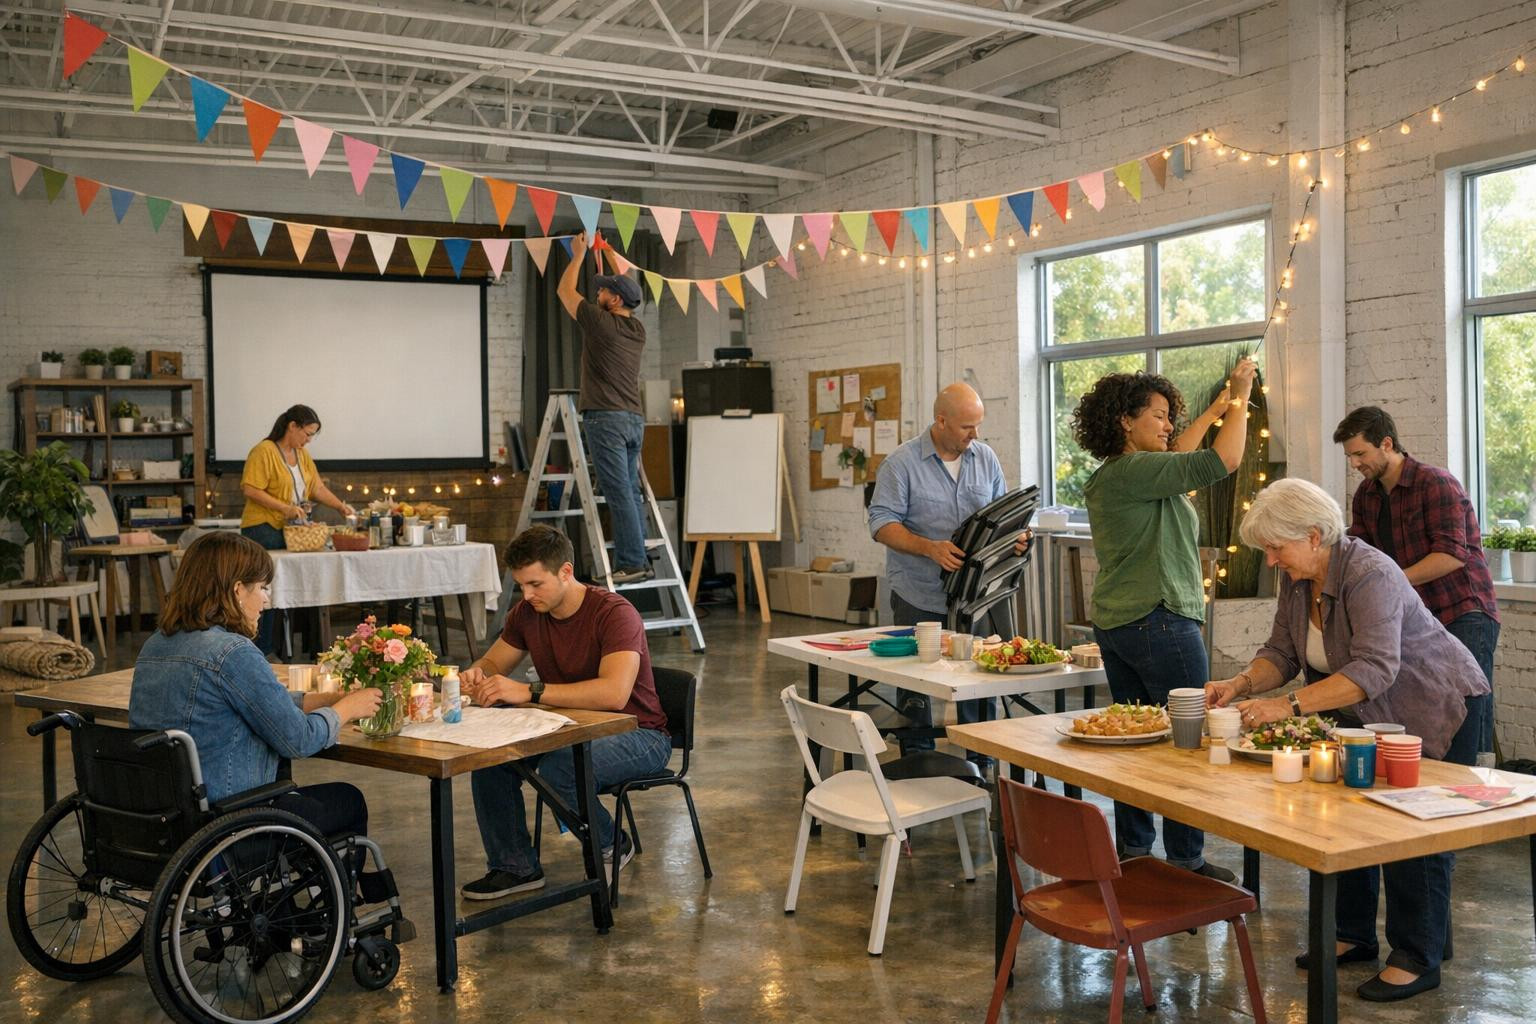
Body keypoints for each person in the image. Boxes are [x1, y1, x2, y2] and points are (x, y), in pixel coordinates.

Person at [1206, 478, 1489, 1003]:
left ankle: (1417, 956)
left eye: (1275, 547)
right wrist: (1240, 684)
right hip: (1363, 712)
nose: (1269, 560)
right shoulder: (1298, 579)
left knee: (1412, 826)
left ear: (1314, 536)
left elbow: (1374, 668)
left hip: (1432, 704)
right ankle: (1352, 935)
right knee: (1345, 819)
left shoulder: (1369, 572)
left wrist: (1286, 707)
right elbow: (1282, 652)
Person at [1070, 357, 1257, 882]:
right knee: (1187, 741)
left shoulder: (1120, 474)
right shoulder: (1139, 472)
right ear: (1125, 422)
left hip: (1119, 622)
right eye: (1157, 415)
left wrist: (1217, 408)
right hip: (1160, 620)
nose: (1168, 424)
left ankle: (1134, 849)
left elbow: (1182, 452)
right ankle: (1187, 862)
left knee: (1135, 738)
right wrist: (1241, 395)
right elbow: (1222, 459)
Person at [458, 525, 672, 900]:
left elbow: (613, 693)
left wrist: (530, 691)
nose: (526, 595)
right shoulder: (527, 613)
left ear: (566, 572)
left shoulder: (614, 613)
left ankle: (611, 843)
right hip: (566, 725)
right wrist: (478, 675)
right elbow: (494, 661)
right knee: (490, 759)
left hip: (641, 734)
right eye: (521, 585)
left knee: (561, 768)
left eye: (535, 584)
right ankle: (515, 867)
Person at [129, 531, 382, 841]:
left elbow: (251, 701)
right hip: (228, 820)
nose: (266, 599)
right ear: (237, 590)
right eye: (262, 587)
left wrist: (323, 699)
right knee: (347, 799)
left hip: (162, 820)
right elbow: (298, 740)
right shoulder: (233, 652)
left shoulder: (154, 645)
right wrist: (346, 709)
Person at [867, 382, 1025, 768]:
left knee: (979, 678)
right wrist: (929, 547)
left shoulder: (985, 458)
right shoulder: (900, 464)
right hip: (918, 593)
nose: (976, 435)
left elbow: (1000, 515)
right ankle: (916, 761)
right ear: (941, 421)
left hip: (975, 595)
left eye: (978, 426)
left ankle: (982, 759)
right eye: (967, 427)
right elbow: (880, 523)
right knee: (915, 683)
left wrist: (1016, 537)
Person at [1333, 406, 1500, 761]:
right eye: (1349, 456)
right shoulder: (1366, 495)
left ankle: (1479, 786)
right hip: (1417, 617)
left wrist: (1391, 582)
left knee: (1469, 706)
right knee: (1429, 708)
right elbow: (1363, 555)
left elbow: (1452, 555)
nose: (1354, 464)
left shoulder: (1435, 483)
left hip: (1463, 610)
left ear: (1387, 443)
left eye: (1360, 453)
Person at [556, 233, 651, 585]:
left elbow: (565, 293)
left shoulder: (600, 322)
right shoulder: (636, 328)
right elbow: (630, 285)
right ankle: (641, 555)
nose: (598, 294)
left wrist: (579, 255)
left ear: (614, 300)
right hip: (632, 418)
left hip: (606, 419)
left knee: (618, 491)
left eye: (603, 291)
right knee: (629, 488)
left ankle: (631, 561)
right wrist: (609, 253)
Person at [240, 404, 355, 653]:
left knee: (306, 579)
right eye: (307, 433)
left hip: (292, 531)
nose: (309, 440)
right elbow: (251, 489)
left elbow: (316, 488)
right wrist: (285, 508)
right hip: (263, 529)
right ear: (292, 426)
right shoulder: (264, 451)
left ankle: (314, 647)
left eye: (313, 435)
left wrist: (340, 507)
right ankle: (264, 649)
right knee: (269, 585)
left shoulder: (302, 455)